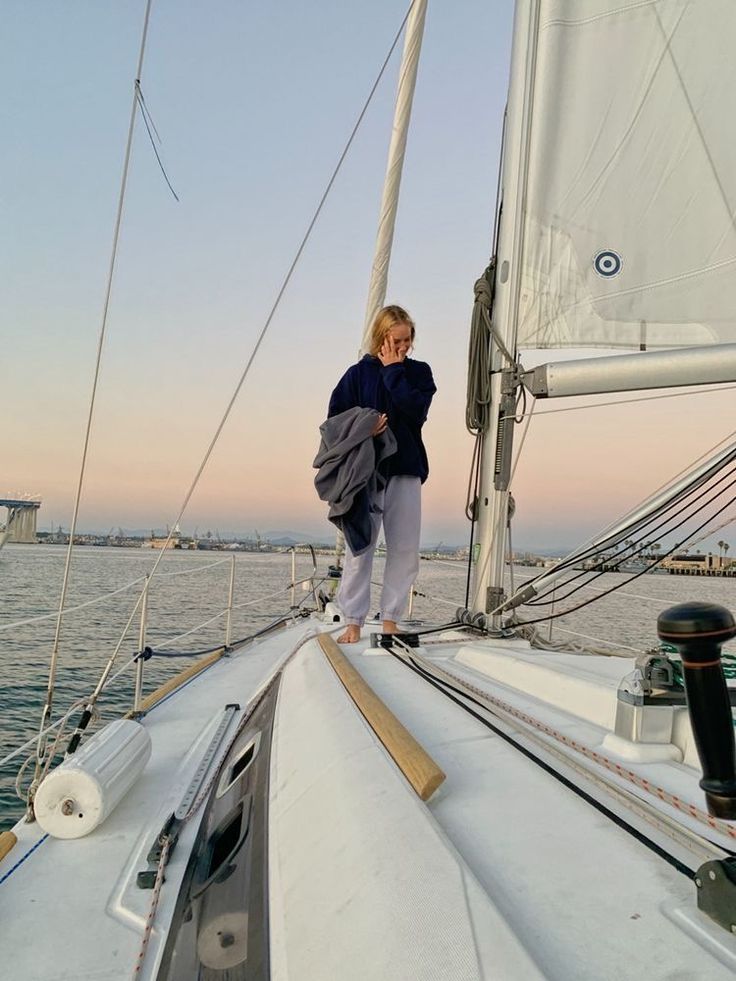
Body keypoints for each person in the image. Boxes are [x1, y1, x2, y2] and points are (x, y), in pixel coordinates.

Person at [327, 304, 436, 643]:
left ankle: (390, 618)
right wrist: (365, 427)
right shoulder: (356, 375)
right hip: (367, 472)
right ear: (380, 337)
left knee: (404, 548)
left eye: (407, 340)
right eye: (396, 340)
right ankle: (353, 620)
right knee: (361, 547)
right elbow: (334, 422)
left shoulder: (419, 373)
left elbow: (416, 411)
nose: (403, 347)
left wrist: (392, 371)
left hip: (405, 469)